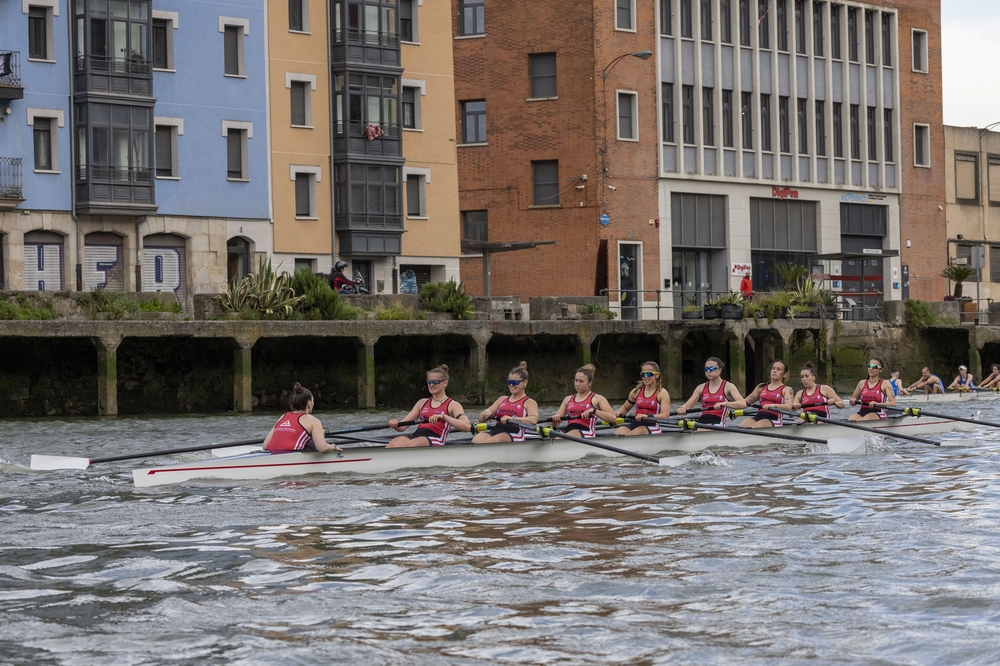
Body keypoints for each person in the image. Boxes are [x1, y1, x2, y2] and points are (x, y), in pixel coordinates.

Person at [387, 365, 471, 447]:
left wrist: (444, 417)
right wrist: (396, 424)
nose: (431, 384)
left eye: (435, 382)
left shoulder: (453, 405)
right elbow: (402, 427)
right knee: (396, 442)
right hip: (417, 435)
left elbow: (467, 426)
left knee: (415, 443)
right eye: (429, 382)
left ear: (445, 383)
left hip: (436, 437)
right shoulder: (421, 403)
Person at [263, 383, 342, 453]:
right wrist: (334, 447)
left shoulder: (283, 416)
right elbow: (322, 448)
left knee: (310, 443)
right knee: (313, 444)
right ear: (309, 404)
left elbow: (265, 445)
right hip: (291, 456)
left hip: (271, 454)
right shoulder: (313, 421)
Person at [474, 361, 539, 443]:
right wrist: (485, 413)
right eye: (509, 382)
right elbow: (480, 420)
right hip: (496, 430)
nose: (511, 385)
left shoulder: (529, 402)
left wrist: (513, 419)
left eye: (514, 382)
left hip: (515, 432)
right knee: (477, 439)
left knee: (494, 440)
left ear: (525, 383)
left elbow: (533, 420)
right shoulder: (502, 399)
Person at [675, 357, 747, 425]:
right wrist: (682, 408)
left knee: (699, 430)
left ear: (720, 370)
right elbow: (687, 405)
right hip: (703, 420)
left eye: (711, 368)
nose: (708, 371)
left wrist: (724, 404)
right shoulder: (700, 387)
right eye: (706, 369)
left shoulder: (728, 386)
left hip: (718, 421)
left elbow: (743, 404)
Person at [551, 364, 617, 438]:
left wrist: (594, 411)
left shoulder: (597, 399)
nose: (577, 384)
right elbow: (555, 425)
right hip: (569, 430)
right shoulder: (567, 399)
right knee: (552, 433)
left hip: (586, 431)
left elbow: (613, 418)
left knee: (566, 435)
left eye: (581, 381)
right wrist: (554, 421)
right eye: (576, 380)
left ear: (590, 383)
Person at [613, 361, 671, 436]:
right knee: (619, 431)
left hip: (652, 425)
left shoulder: (662, 393)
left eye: (649, 374)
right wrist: (619, 412)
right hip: (636, 423)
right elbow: (625, 408)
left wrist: (648, 416)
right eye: (643, 374)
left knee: (635, 433)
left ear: (657, 375)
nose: (646, 377)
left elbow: (665, 416)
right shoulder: (636, 392)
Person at [740, 360, 794, 428]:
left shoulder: (786, 389)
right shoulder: (761, 387)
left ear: (784, 374)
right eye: (773, 368)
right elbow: (746, 401)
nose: (775, 371)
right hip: (759, 416)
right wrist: (732, 405)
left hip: (774, 419)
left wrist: (771, 406)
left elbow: (789, 406)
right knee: (743, 424)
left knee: (755, 426)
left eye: (778, 369)